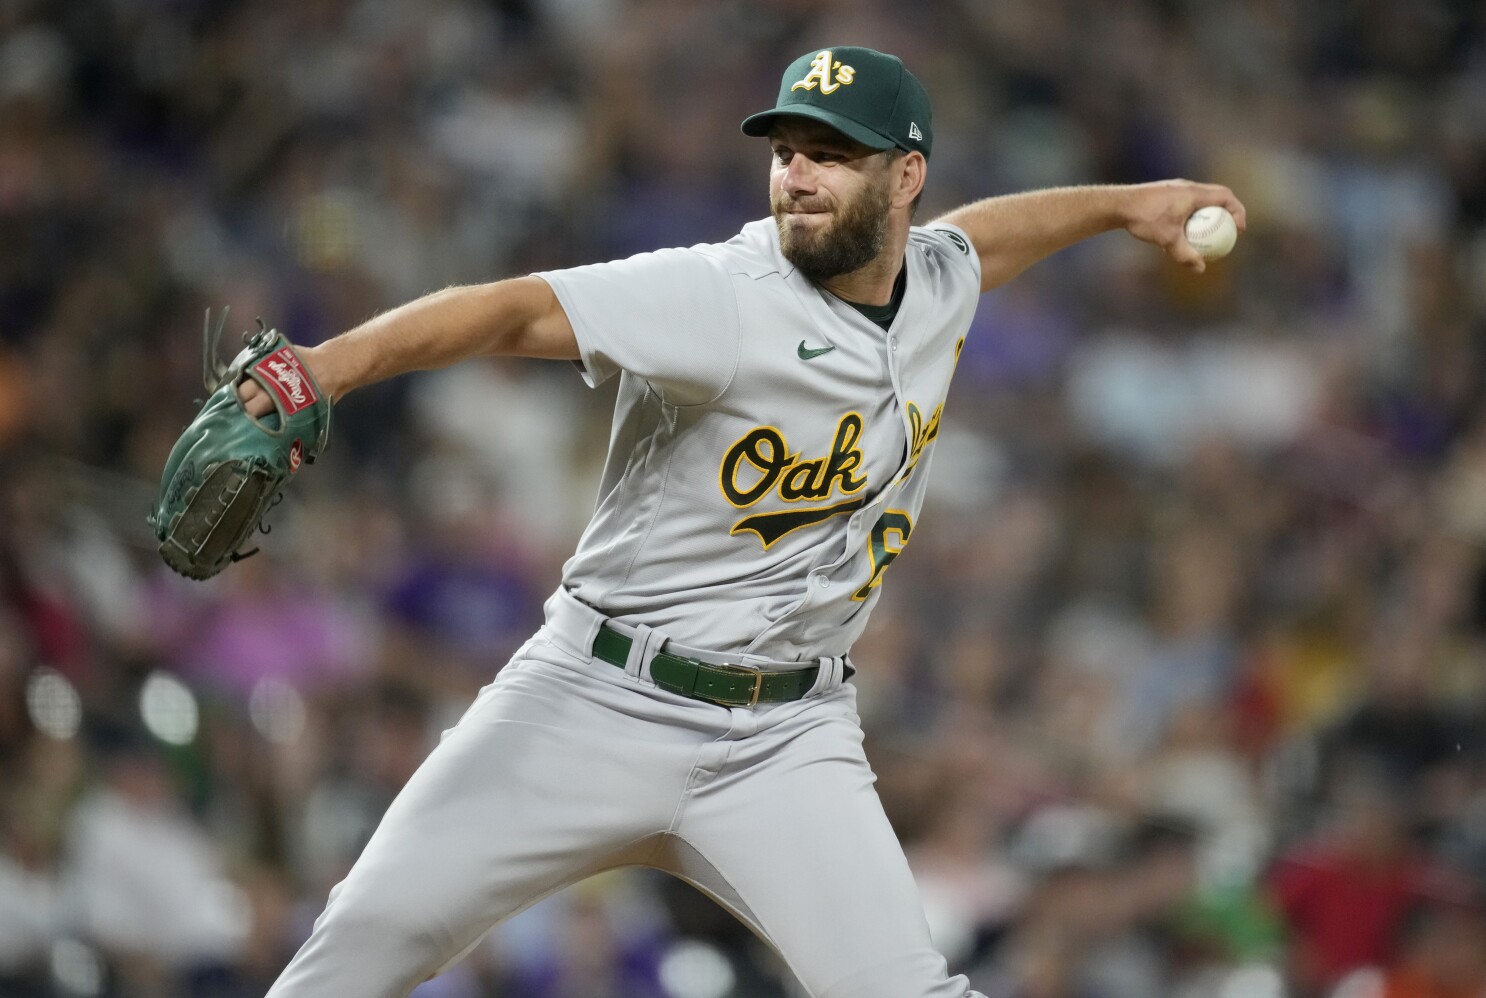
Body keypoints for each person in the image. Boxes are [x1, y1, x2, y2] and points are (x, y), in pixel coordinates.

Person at [251, 45, 1245, 998]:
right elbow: (511, 311)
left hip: (785, 735)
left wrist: (1123, 205)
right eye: (785, 152)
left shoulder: (935, 278)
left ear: (906, 178)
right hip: (593, 699)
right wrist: (327, 367)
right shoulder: (720, 295)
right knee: (364, 941)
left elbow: (985, 238)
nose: (799, 177)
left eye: (832, 155)